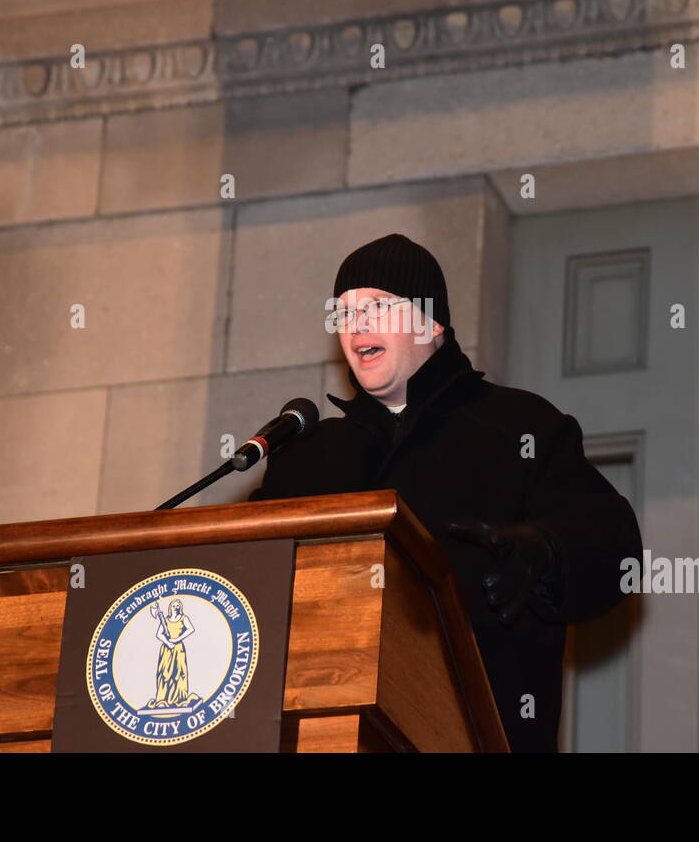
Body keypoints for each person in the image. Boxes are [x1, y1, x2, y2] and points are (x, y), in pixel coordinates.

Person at [249, 233, 642, 752]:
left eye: (377, 306)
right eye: (343, 313)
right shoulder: (306, 455)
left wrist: (544, 551)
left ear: (431, 322)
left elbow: (616, 547)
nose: (355, 324)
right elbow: (249, 574)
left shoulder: (519, 426)